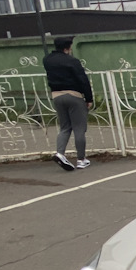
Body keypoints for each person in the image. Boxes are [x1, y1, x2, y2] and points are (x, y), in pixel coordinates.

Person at [43, 36, 93, 171]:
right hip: (74, 96)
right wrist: (88, 98)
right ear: (68, 47)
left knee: (65, 127)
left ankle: (60, 153)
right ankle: (81, 160)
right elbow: (83, 79)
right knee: (79, 128)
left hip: (57, 96)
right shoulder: (73, 61)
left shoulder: (47, 60)